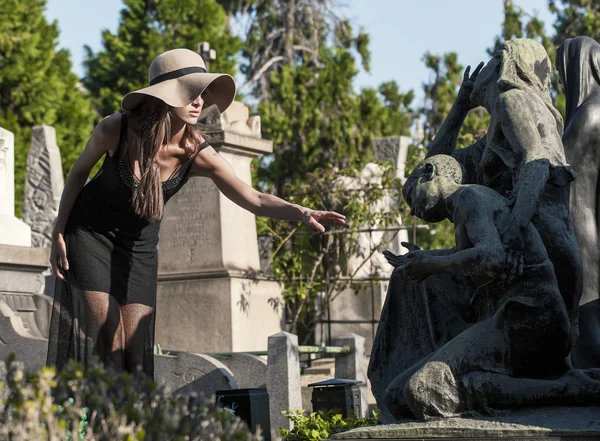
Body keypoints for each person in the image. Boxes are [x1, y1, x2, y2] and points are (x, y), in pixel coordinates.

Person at [46, 48, 347, 379]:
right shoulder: (115, 129)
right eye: (190, 92)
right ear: (164, 96)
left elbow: (253, 198)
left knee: (133, 353)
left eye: (203, 93)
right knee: (110, 335)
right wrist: (58, 232)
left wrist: (300, 211)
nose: (199, 101)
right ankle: (99, 422)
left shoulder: (196, 152)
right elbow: (78, 174)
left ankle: (128, 424)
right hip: (90, 236)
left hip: (139, 251)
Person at [385, 154, 600, 420]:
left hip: (532, 318)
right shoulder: (464, 216)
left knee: (423, 391)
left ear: (429, 172)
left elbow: (492, 257)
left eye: (410, 194)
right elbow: (466, 276)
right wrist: (425, 262)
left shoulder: (470, 198)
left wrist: (430, 265)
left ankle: (567, 389)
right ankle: (487, 386)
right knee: (395, 396)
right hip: (509, 322)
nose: (411, 209)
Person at [418, 39, 583, 348]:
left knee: (423, 284)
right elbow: (427, 174)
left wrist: (516, 227)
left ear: (504, 64)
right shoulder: (494, 134)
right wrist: (459, 108)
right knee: (419, 277)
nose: (481, 67)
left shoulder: (512, 101)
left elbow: (536, 161)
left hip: (534, 249)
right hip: (528, 248)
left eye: (491, 58)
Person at [557, 36, 600, 368]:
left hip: (580, 223)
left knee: (583, 299)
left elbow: (561, 171)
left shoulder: (588, 114)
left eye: (563, 71)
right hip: (588, 217)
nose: (561, 81)